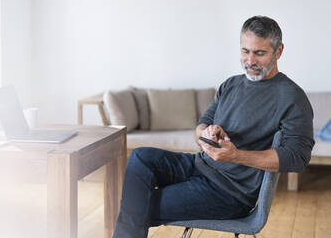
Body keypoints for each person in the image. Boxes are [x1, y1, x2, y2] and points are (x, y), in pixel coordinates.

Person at [113, 16, 315, 238]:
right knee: (140, 157)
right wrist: (206, 133)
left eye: (259, 53)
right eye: (245, 51)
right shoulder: (231, 84)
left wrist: (236, 156)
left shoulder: (291, 97)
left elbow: (298, 158)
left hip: (229, 193)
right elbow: (201, 126)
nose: (250, 61)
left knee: (137, 205)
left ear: (278, 51)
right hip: (199, 165)